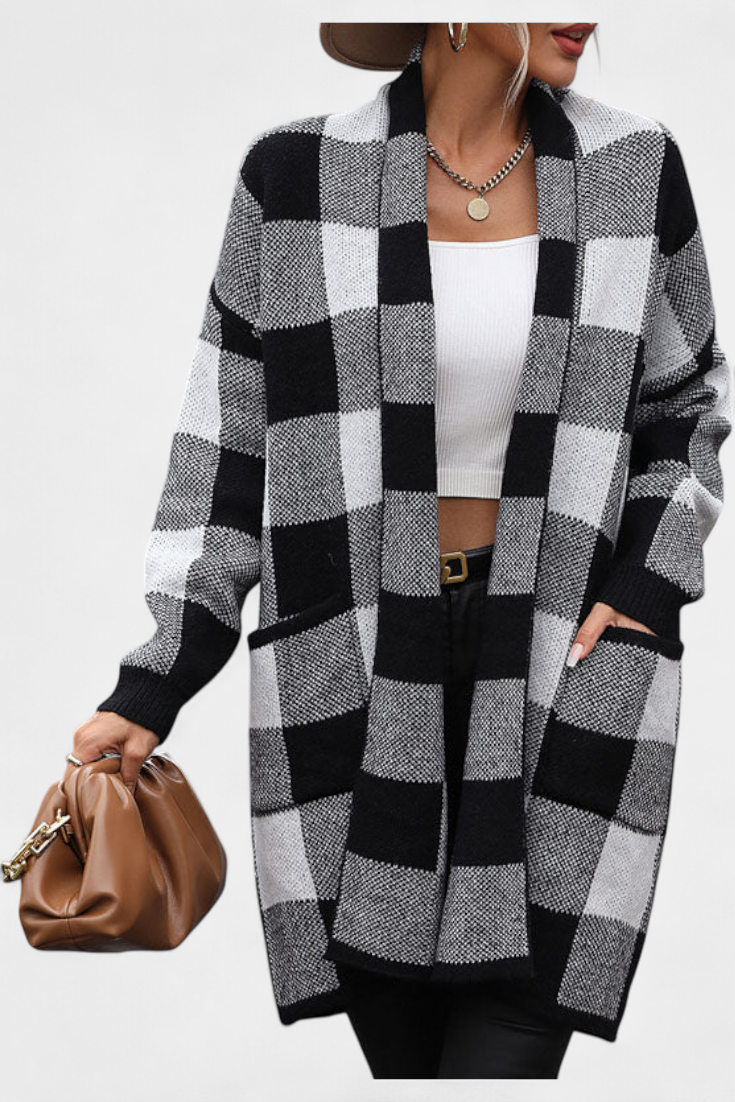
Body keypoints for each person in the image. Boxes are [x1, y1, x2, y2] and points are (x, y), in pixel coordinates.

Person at [62, 23, 731, 1080]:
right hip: (361, 675)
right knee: (409, 1064)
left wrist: (648, 582)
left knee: (511, 1040)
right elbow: (227, 451)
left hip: (559, 664)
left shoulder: (633, 169)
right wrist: (155, 679)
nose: (590, 11)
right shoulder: (293, 178)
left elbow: (685, 407)